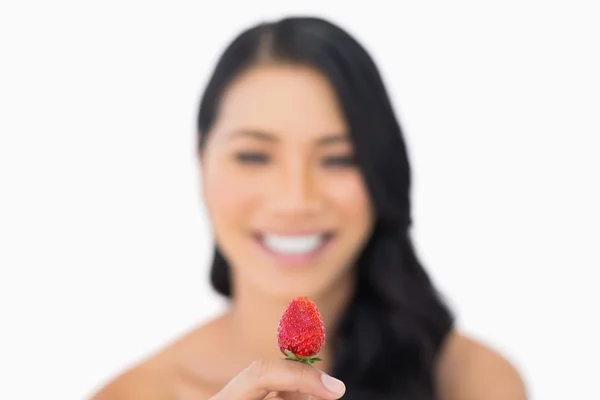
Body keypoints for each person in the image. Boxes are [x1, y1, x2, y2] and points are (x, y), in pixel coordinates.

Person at [90, 16, 527, 400]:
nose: (296, 200)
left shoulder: (473, 381)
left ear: (382, 174)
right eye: (254, 156)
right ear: (201, 162)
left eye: (339, 159)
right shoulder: (129, 396)